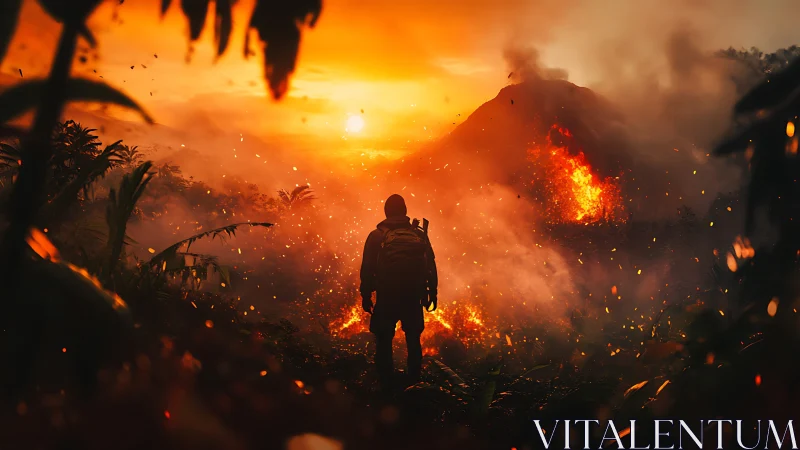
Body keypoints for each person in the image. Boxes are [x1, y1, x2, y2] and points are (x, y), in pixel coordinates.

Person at [359, 194, 438, 391]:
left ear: (386, 212)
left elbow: (367, 268)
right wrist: (432, 293)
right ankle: (414, 384)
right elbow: (431, 265)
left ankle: (386, 384)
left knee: (384, 338)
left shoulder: (377, 236)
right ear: (405, 211)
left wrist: (366, 295)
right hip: (413, 295)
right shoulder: (419, 234)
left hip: (387, 296)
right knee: (413, 339)